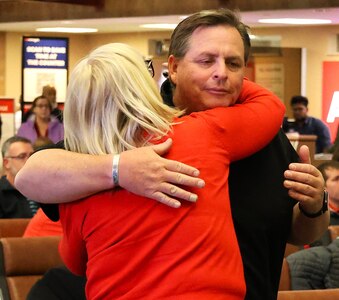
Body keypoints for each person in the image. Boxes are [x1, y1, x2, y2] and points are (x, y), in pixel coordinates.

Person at [15, 9, 327, 300]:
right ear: (173, 68)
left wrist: (315, 205)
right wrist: (118, 168)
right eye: (207, 61)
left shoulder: (266, 138)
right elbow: (31, 174)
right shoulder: (123, 134)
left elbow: (297, 232)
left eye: (233, 64)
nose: (222, 73)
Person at [59, 37, 285, 299]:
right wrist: (224, 75)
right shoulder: (202, 132)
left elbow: (75, 263)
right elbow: (269, 105)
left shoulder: (77, 180)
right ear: (143, 87)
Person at [0, 136, 38, 218]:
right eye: (22, 156)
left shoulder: (42, 189)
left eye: (31, 155)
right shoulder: (2, 194)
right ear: (6, 163)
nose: (29, 160)